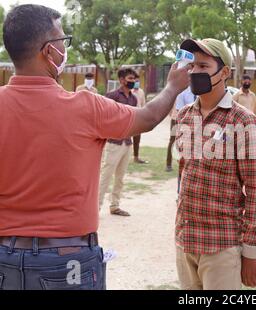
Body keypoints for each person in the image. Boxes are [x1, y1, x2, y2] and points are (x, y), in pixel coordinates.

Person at [0, 4, 189, 290]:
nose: (65, 48)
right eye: (63, 40)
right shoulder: (85, 106)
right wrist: (174, 86)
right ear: (49, 51)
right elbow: (148, 117)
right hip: (68, 260)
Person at [175, 38, 256, 290]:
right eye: (192, 66)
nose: (194, 72)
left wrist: (251, 251)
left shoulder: (244, 120)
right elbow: (185, 172)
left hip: (221, 245)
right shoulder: (184, 116)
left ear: (224, 72)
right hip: (185, 241)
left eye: (203, 66)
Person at [98, 68, 138, 217]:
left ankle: (115, 205)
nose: (132, 81)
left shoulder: (134, 99)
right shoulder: (112, 96)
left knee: (120, 178)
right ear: (121, 80)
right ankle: (95, 208)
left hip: (127, 143)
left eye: (134, 78)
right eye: (130, 78)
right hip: (113, 143)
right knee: (105, 177)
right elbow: (104, 118)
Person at [166, 87, 196, 172]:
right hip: (176, 119)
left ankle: (188, 164)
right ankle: (168, 164)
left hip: (192, 120)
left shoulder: (198, 93)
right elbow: (180, 110)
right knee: (173, 140)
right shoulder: (182, 93)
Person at [132, 74, 148, 164]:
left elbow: (143, 105)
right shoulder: (129, 91)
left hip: (138, 117)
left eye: (138, 81)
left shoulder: (141, 92)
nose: (136, 83)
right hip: (129, 116)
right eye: (135, 81)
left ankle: (136, 157)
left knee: (137, 139)